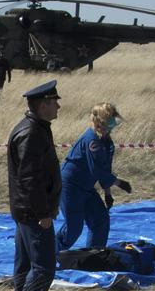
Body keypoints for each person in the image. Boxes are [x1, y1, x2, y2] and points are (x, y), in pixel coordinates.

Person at [7, 81, 62, 291]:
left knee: (25, 266)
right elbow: (30, 179)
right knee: (44, 269)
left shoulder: (37, 127)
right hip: (32, 212)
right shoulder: (31, 133)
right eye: (54, 102)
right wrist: (43, 214)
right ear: (42, 105)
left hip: (26, 210)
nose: (58, 105)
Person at [57, 103, 133, 250]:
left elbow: (106, 169)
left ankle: (93, 256)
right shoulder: (92, 140)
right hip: (70, 185)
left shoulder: (107, 141)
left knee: (100, 219)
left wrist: (108, 193)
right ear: (102, 120)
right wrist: (119, 183)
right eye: (110, 117)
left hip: (86, 187)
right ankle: (49, 257)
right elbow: (97, 171)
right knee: (73, 228)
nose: (114, 121)